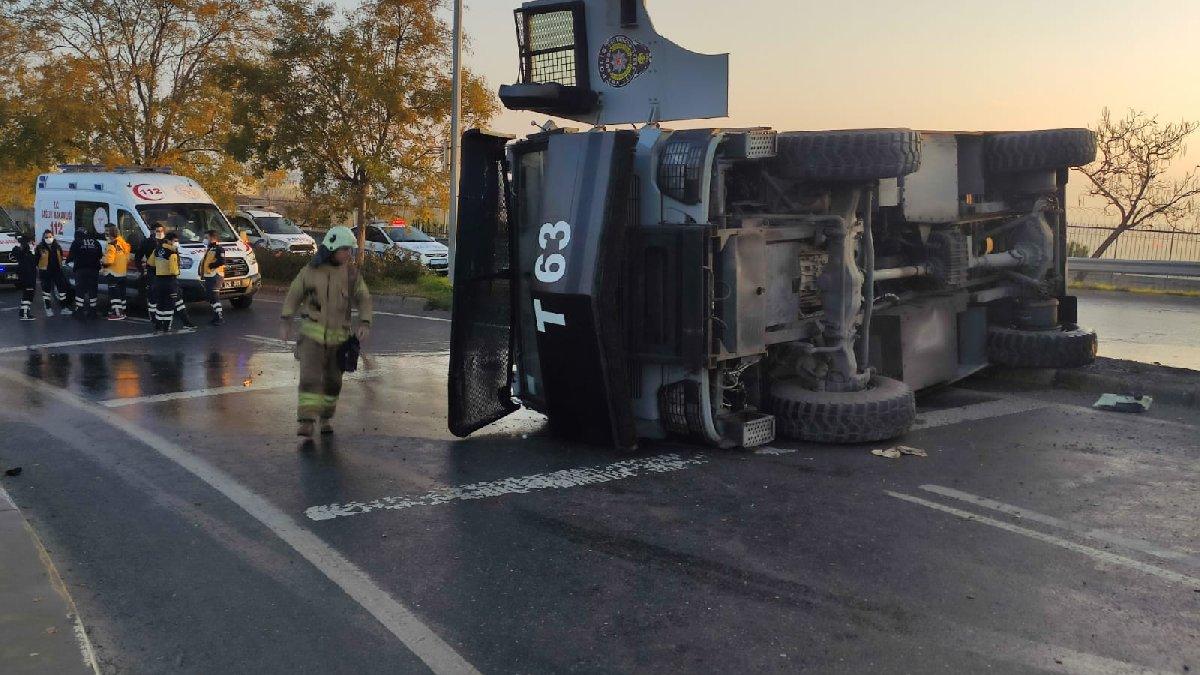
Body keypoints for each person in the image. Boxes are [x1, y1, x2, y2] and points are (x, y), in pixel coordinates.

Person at [280, 226, 372, 437]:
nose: (349, 254)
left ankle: (326, 417)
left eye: (351, 250)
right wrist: (286, 320)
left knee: (333, 382)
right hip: (311, 337)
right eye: (345, 250)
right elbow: (294, 294)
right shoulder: (310, 272)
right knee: (310, 378)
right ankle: (306, 420)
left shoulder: (351, 275)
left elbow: (364, 298)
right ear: (332, 249)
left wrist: (365, 322)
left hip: (339, 340)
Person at [151, 231, 196, 333]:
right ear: (169, 240)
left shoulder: (157, 249)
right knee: (172, 303)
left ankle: (158, 326)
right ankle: (169, 327)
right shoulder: (172, 252)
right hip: (170, 281)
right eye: (175, 241)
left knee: (161, 304)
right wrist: (177, 269)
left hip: (158, 281)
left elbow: (151, 263)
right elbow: (173, 270)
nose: (176, 243)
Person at [68, 224, 104, 320]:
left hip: (81, 270)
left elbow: (70, 256)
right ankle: (93, 312)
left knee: (80, 290)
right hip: (94, 270)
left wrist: (67, 262)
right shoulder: (96, 242)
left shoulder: (76, 242)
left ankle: (79, 311)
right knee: (93, 291)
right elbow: (100, 255)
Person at [35, 229, 74, 316]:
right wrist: (40, 270)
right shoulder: (40, 247)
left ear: (53, 237)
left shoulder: (57, 246)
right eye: (46, 237)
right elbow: (36, 260)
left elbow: (60, 257)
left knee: (62, 290)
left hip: (57, 270)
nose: (48, 238)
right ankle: (48, 308)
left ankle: (64, 308)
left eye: (50, 236)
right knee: (46, 291)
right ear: (43, 237)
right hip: (45, 271)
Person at [102, 225, 131, 320]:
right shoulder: (122, 242)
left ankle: (117, 313)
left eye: (107, 231)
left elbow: (109, 260)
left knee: (114, 294)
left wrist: (103, 267)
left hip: (113, 272)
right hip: (122, 272)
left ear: (110, 233)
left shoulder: (111, 244)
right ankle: (123, 310)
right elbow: (127, 256)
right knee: (121, 293)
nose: (105, 233)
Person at [138, 223, 166, 319]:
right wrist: (142, 270)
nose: (160, 233)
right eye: (158, 231)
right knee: (152, 294)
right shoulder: (146, 242)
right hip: (152, 272)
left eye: (162, 231)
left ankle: (161, 313)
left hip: (164, 272)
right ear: (152, 232)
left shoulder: (165, 242)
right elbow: (138, 257)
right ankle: (153, 316)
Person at [200, 229, 226, 325]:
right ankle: (216, 316)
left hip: (215, 276)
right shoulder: (209, 249)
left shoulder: (218, 249)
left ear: (211, 238)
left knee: (214, 297)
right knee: (210, 297)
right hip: (209, 276)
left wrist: (211, 266)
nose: (204, 239)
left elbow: (222, 261)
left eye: (206, 237)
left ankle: (219, 317)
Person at [13, 234, 38, 321]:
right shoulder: (24, 253)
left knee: (28, 296)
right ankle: (24, 315)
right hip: (27, 279)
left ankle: (24, 313)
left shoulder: (27, 253)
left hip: (29, 278)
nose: (33, 243)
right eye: (31, 242)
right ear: (27, 243)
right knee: (27, 296)